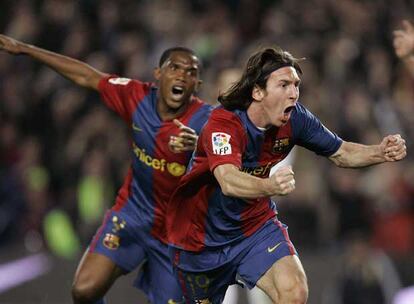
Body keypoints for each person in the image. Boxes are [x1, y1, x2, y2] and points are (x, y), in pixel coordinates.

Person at [166, 47, 407, 304]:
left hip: (254, 227)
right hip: (200, 237)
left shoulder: (296, 118)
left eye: (296, 85)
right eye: (283, 85)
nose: (293, 93)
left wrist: (380, 152)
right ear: (258, 91)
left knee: (294, 290)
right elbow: (228, 179)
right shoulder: (223, 124)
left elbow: (341, 151)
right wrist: (269, 184)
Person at [0, 34, 213, 304]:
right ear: (158, 74)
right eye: (175, 68)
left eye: (191, 72)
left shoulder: (207, 121)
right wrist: (25, 49)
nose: (182, 76)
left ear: (197, 84)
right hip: (133, 214)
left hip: (177, 234)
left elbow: (234, 156)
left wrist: (200, 146)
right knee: (84, 290)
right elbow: (87, 76)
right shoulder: (135, 96)